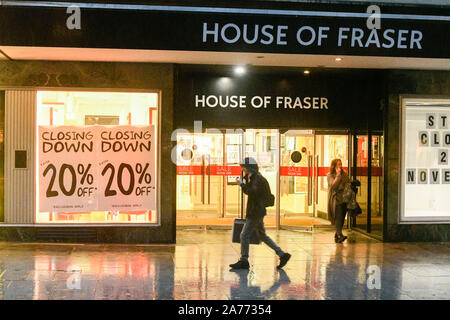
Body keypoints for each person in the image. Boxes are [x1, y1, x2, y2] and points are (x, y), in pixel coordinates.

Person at [229, 157, 291, 270]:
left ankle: (244, 260)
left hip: (255, 211)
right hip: (257, 210)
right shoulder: (254, 177)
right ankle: (282, 254)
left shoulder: (257, 178)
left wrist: (241, 184)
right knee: (262, 235)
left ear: (249, 168)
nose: (242, 169)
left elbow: (252, 192)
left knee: (244, 235)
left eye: (243, 167)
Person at [327, 158, 350, 243]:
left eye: (341, 164)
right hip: (335, 199)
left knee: (342, 216)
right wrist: (338, 175)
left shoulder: (344, 174)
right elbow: (333, 186)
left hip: (344, 198)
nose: (340, 166)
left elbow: (347, 182)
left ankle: (337, 234)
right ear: (334, 166)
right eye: (338, 165)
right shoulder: (330, 175)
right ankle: (339, 234)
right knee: (338, 217)